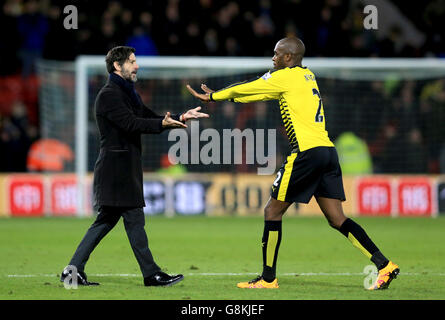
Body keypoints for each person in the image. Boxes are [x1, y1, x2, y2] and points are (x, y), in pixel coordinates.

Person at [186, 37, 399, 290]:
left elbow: (249, 87)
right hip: (327, 152)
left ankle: (267, 279)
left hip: (306, 154)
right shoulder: (307, 76)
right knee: (337, 218)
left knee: (271, 211)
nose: (273, 58)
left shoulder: (285, 76)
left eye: (277, 54)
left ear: (289, 57)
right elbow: (257, 93)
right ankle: (384, 265)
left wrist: (214, 96)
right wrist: (226, 99)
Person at [60, 46, 209, 287]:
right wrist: (162, 123)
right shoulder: (109, 94)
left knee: (107, 220)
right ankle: (151, 274)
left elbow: (146, 115)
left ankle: (73, 271)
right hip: (116, 169)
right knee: (132, 219)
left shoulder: (127, 92)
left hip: (123, 166)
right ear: (117, 66)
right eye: (132, 61)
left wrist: (180, 118)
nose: (136, 65)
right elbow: (131, 123)